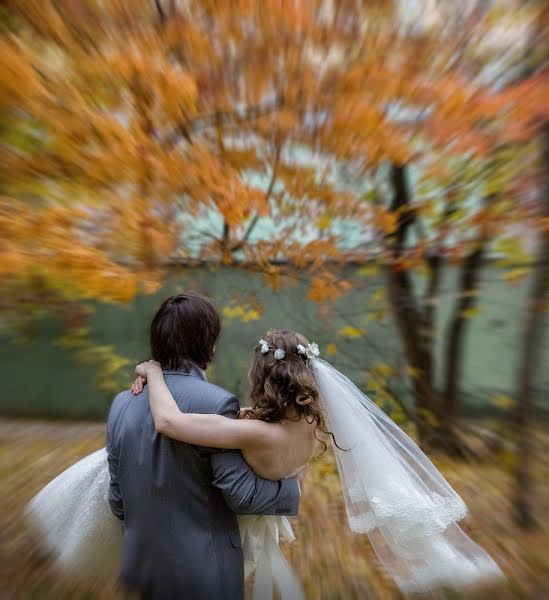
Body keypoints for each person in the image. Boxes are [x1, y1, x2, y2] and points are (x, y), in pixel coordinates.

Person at [26, 293, 302, 600]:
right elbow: (240, 495)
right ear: (208, 344)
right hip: (205, 573)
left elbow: (117, 501)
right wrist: (291, 490)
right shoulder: (216, 402)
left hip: (143, 569)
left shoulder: (121, 403)